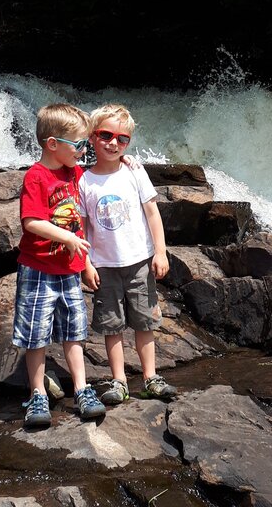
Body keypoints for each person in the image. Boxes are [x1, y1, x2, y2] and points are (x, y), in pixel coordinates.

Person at [12, 102, 107, 427]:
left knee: (73, 331)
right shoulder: (36, 177)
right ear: (53, 144)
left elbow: (98, 181)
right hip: (38, 270)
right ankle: (37, 393)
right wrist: (66, 239)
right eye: (79, 145)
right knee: (35, 335)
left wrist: (86, 264)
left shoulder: (75, 172)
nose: (84, 150)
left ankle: (81, 388)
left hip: (69, 271)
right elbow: (32, 222)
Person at [79, 103, 177, 405]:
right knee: (112, 325)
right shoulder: (84, 181)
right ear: (93, 137)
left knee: (145, 321)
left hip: (139, 262)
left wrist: (160, 253)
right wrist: (85, 263)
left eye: (122, 139)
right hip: (104, 265)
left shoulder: (134, 171)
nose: (114, 143)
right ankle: (119, 380)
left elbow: (152, 213)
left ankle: (150, 377)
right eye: (106, 135)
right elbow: (80, 228)